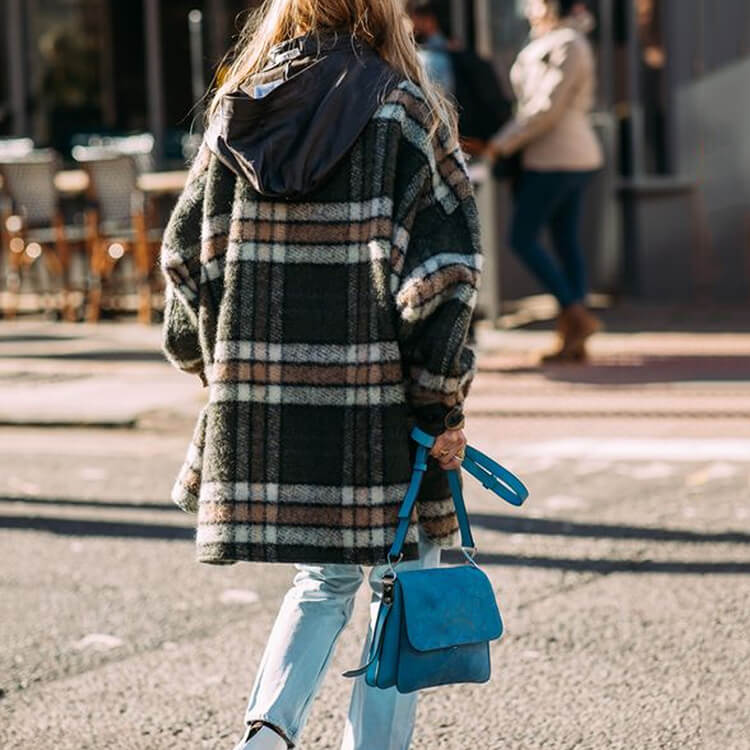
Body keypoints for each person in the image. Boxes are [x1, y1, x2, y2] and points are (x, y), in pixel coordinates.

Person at [159, 1, 481, 748]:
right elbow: (444, 277)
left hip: (266, 402)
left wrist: (218, 370)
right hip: (382, 406)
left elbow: (182, 261)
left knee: (324, 579)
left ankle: (265, 738)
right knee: (398, 583)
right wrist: (442, 406)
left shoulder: (239, 109)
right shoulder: (405, 111)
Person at [486, 0, 604, 361]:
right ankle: (574, 335)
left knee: (522, 238)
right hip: (555, 155)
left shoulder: (569, 43)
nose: (528, 8)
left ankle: (575, 314)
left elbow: (545, 108)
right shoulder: (552, 40)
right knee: (565, 241)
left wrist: (500, 144)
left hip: (558, 156)